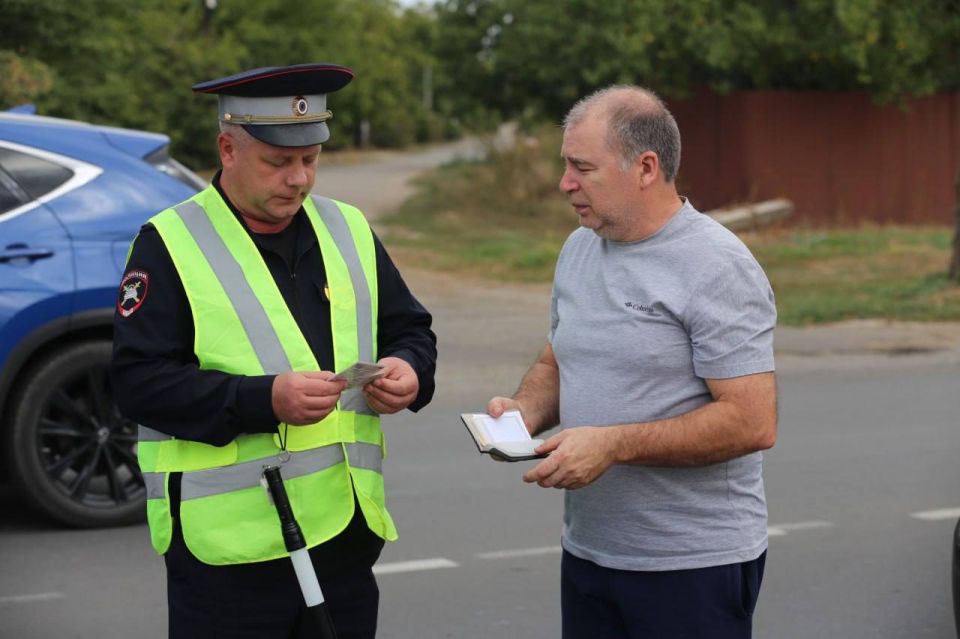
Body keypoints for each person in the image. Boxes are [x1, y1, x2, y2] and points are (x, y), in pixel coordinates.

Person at [111, 63, 437, 639]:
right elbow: (138, 384)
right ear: (227, 149)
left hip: (343, 538)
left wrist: (410, 371)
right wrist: (263, 400)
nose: (299, 180)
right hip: (229, 556)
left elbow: (410, 328)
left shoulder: (347, 227)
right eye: (279, 162)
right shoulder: (168, 243)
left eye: (310, 160)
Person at [486, 85, 777, 638]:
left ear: (645, 167)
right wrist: (524, 412)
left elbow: (752, 420)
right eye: (565, 165)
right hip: (591, 554)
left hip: (692, 567)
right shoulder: (580, 246)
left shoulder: (717, 265)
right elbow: (557, 358)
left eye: (582, 168)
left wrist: (613, 444)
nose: (564, 183)